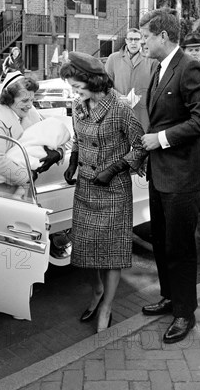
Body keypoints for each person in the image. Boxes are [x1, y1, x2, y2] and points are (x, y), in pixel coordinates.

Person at [139, 8, 200, 344]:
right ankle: (170, 297)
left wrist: (162, 139)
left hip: (183, 178)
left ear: (163, 36)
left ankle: (185, 312)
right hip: (160, 175)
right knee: (160, 241)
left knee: (180, 246)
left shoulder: (189, 67)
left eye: (146, 38)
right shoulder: (159, 68)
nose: (142, 43)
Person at [60, 52, 146, 333]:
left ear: (94, 82)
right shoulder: (78, 106)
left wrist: (117, 166)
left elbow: (141, 146)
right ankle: (96, 292)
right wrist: (73, 161)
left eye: (77, 86)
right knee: (87, 248)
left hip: (113, 190)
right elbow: (77, 138)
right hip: (86, 187)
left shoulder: (120, 110)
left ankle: (107, 306)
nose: (74, 92)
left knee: (111, 253)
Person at [0, 71, 63, 197]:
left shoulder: (31, 113)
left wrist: (59, 152)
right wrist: (27, 176)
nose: (30, 105)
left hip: (22, 187)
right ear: (9, 99)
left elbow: (50, 134)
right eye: (25, 100)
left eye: (32, 100)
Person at [105, 28, 157, 131]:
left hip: (143, 113)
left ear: (142, 41)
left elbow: (156, 86)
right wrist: (118, 96)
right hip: (118, 110)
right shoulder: (113, 59)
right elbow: (105, 85)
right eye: (130, 39)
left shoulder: (151, 60)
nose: (133, 43)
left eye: (136, 39)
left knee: (141, 142)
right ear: (126, 41)